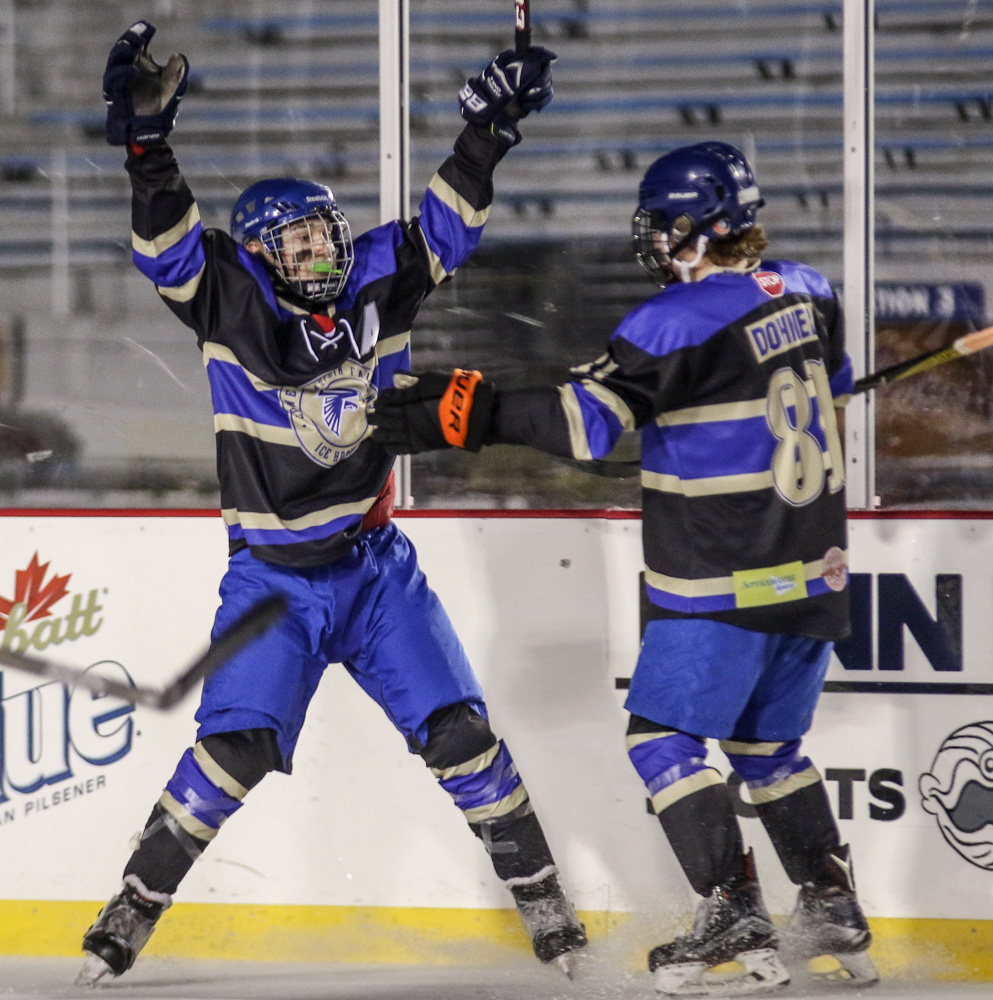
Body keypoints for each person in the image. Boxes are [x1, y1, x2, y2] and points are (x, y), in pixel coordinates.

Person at [78, 20, 587, 986]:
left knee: (462, 738)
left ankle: (549, 909)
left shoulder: (377, 277)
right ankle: (133, 906)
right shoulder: (225, 293)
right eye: (298, 240)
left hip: (373, 568)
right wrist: (149, 151)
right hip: (273, 580)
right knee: (230, 749)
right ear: (264, 252)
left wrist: (490, 132)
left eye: (324, 234)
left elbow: (450, 222)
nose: (318, 251)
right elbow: (164, 244)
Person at [369, 141, 879, 996]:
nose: (649, 243)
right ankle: (830, 906)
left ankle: (732, 916)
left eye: (659, 227)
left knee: (664, 744)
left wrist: (470, 412)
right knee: (764, 745)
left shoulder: (672, 322)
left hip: (724, 574)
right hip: (813, 571)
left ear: (693, 228)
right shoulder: (807, 288)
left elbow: (584, 425)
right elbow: (833, 381)